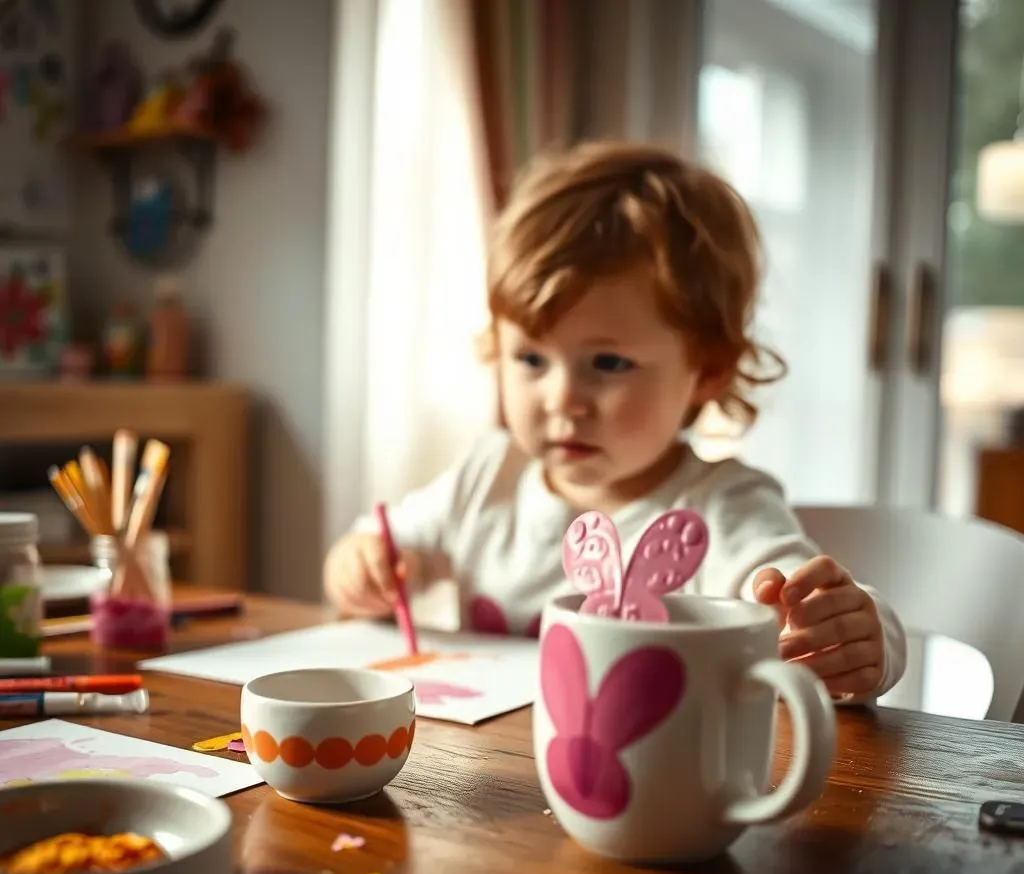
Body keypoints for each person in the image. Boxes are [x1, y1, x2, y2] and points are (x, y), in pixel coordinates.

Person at [324, 140, 907, 703]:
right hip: (488, 783)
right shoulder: (486, 476)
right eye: (531, 359)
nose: (563, 398)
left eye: (606, 363)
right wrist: (362, 567)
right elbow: (377, 543)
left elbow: (808, 607)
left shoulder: (721, 509)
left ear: (706, 370)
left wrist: (853, 637)